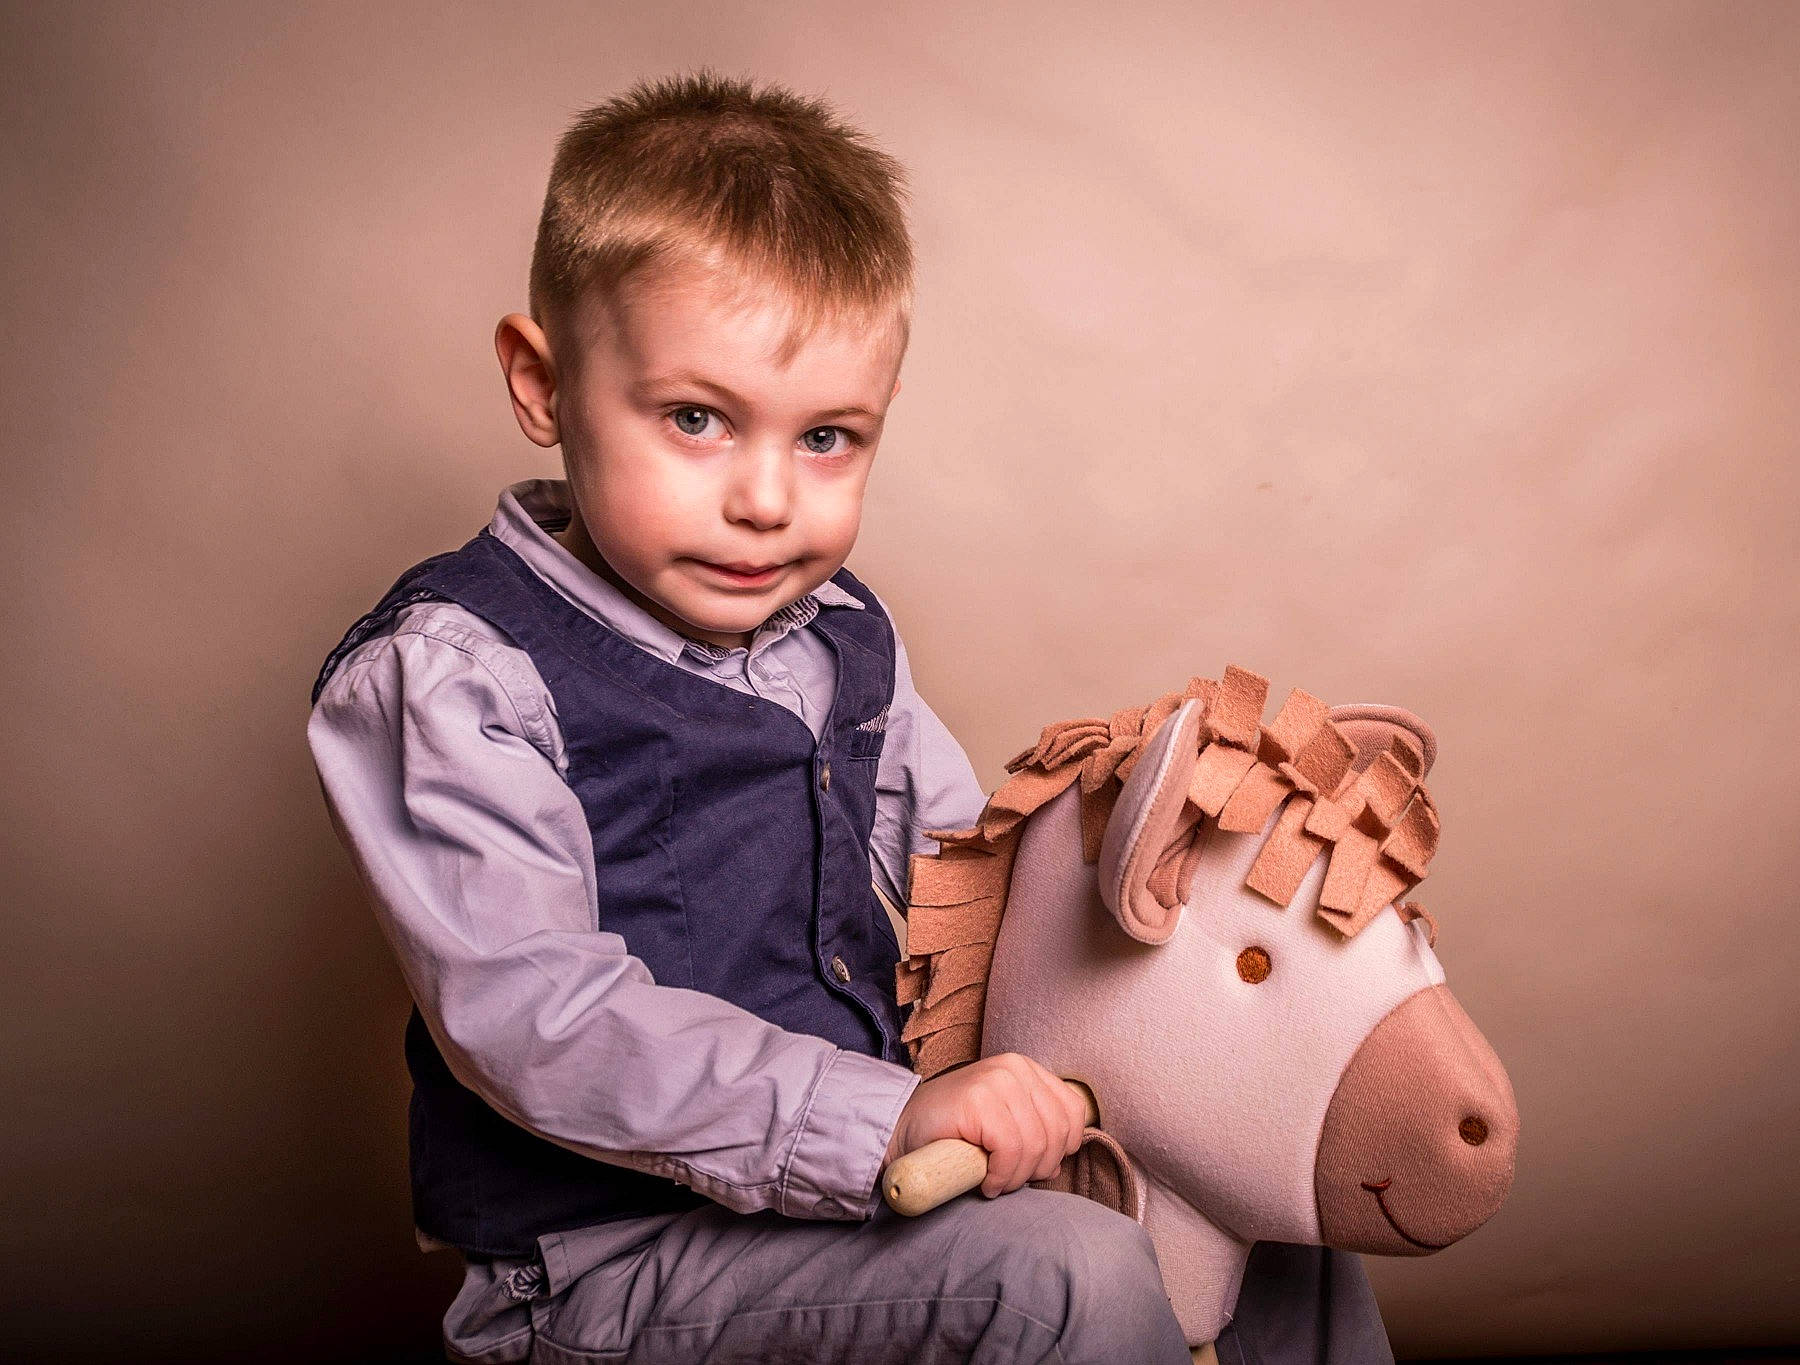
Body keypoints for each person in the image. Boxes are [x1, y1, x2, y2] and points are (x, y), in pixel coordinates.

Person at [306, 70, 1392, 1364]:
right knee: (1065, 1274)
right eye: (697, 420)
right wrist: (886, 1120)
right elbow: (549, 1025)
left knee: (1258, 1209)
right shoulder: (455, 673)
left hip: (855, 1204)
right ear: (543, 384)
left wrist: (1148, 851)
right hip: (608, 1267)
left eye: (827, 437)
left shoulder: (841, 634)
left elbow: (963, 885)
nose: (768, 499)